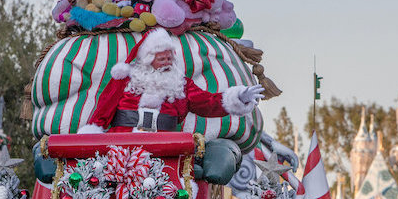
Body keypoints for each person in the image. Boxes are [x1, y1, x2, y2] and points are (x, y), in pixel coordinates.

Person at [82, 28, 263, 133]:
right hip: (122, 144)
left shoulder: (180, 84)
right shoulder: (126, 79)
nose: (167, 63)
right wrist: (91, 135)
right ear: (148, 60)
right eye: (162, 59)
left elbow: (207, 102)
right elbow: (104, 109)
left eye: (170, 59)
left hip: (166, 146)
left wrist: (239, 97)